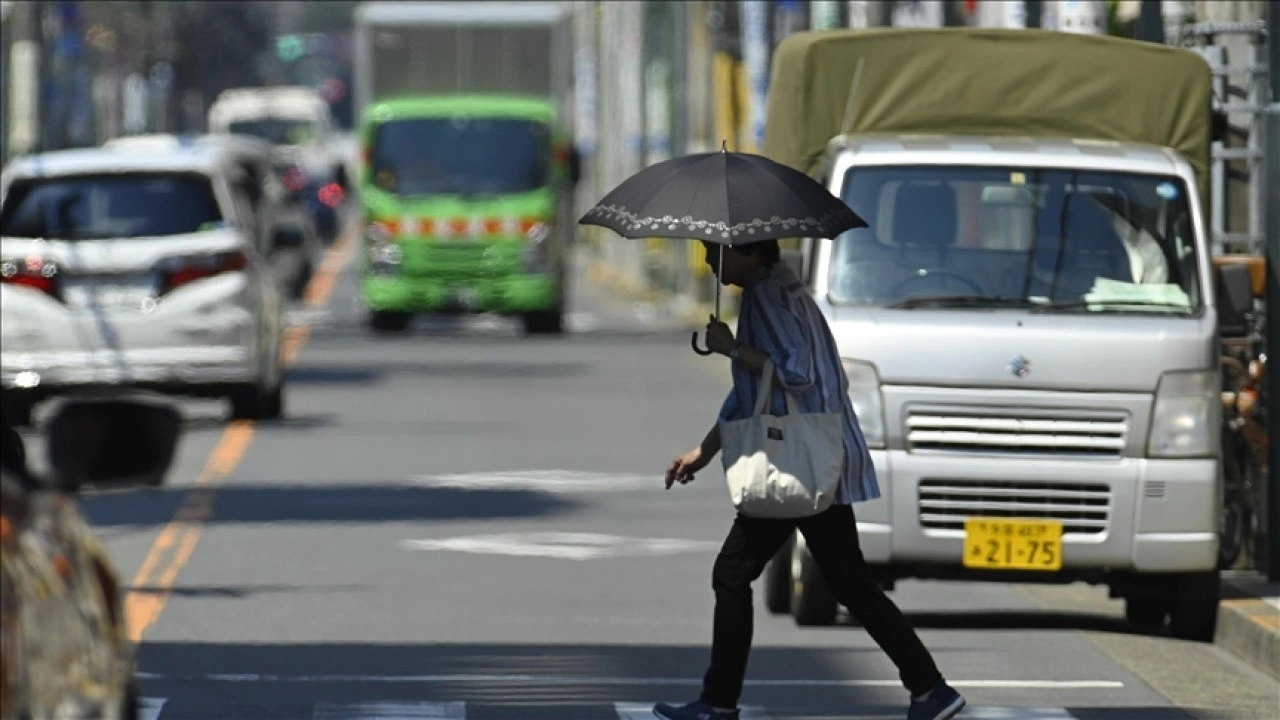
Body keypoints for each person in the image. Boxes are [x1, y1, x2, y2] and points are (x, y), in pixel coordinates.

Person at [656, 239, 965, 720]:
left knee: (733, 574)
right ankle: (931, 689)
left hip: (794, 462)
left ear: (749, 250)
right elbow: (752, 397)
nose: (708, 261)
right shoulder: (786, 290)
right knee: (849, 582)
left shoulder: (767, 296)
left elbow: (795, 373)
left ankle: (718, 703)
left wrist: (732, 347)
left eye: (715, 250)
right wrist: (704, 450)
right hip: (816, 458)